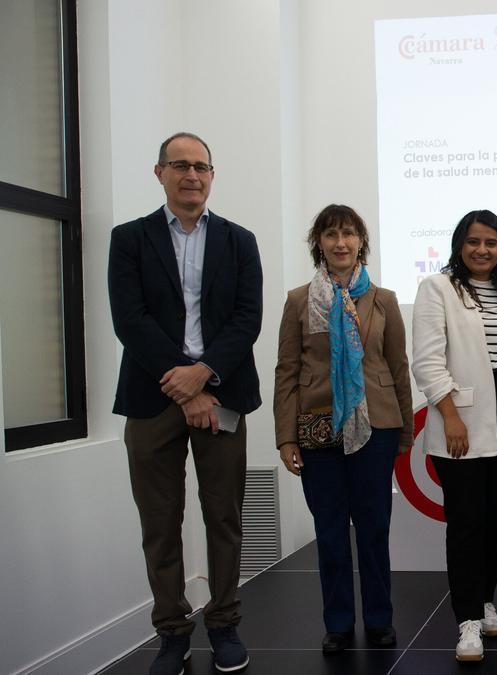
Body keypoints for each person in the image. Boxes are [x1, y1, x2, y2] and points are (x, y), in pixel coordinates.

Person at [108, 132, 261, 675]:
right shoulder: (129, 238)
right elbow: (130, 320)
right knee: (159, 520)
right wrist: (184, 383)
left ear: (212, 176)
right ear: (160, 173)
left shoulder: (239, 241)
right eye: (180, 165)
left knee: (224, 516)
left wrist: (203, 378)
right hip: (152, 398)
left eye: (201, 166)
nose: (191, 175)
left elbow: (247, 319)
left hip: (221, 391)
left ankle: (224, 624)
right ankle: (172, 631)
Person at [272, 204, 414, 653]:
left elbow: (397, 367)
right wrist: (285, 435)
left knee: (373, 529)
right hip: (317, 427)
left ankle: (378, 620)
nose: (340, 243)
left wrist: (406, 431)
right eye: (331, 234)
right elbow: (286, 370)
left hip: (376, 425)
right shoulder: (299, 300)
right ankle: (337, 623)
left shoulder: (384, 299)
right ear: (319, 243)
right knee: (331, 533)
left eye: (349, 234)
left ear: (361, 243)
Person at [411, 210, 497, 662]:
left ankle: (485, 599)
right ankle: (466, 621)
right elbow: (427, 361)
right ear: (459, 245)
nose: (482, 250)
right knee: (466, 521)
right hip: (460, 416)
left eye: (491, 242)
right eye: (473, 242)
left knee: (496, 517)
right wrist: (449, 415)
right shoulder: (438, 288)